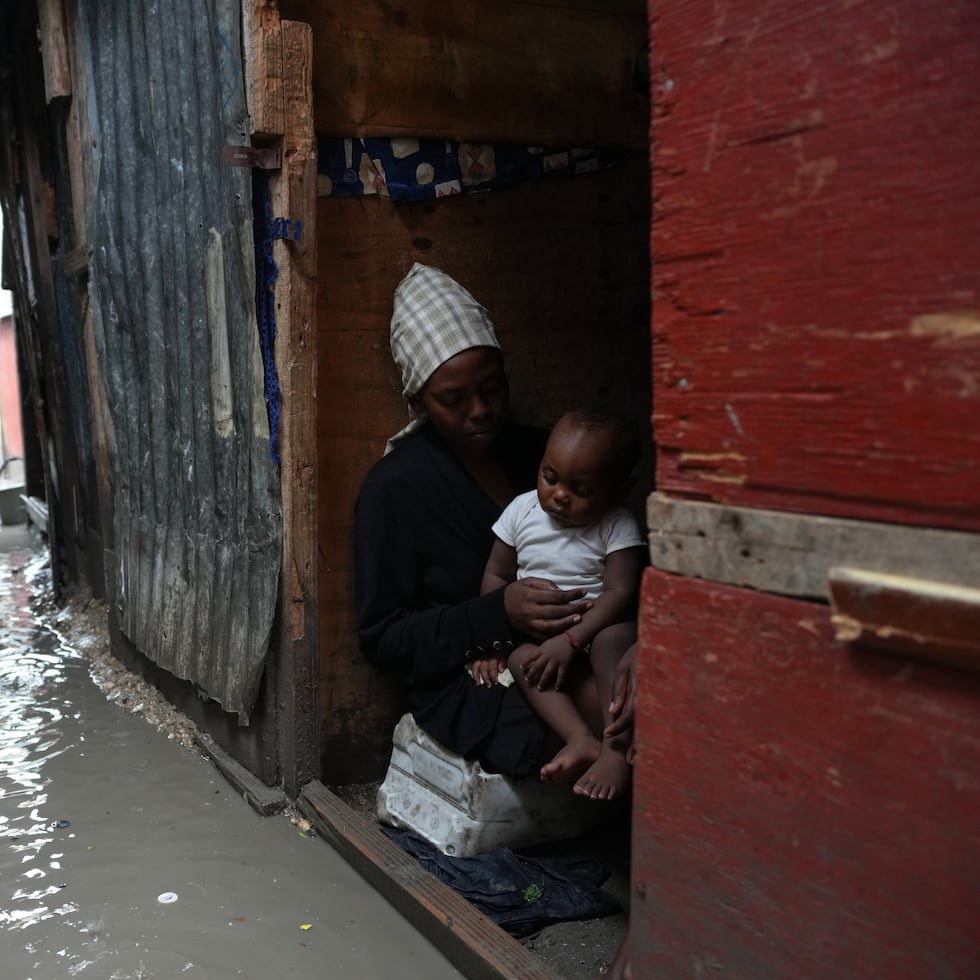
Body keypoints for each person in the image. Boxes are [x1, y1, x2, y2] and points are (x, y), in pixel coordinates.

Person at [354, 262, 594, 780]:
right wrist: (495, 614)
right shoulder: (395, 488)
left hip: (584, 642)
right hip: (473, 680)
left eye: (492, 387)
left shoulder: (545, 456)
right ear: (418, 398)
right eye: (453, 400)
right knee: (588, 712)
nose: (481, 410)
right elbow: (383, 639)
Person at [474, 407, 645, 801]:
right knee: (521, 660)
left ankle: (615, 750)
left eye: (581, 490)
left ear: (620, 488)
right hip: (540, 638)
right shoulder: (522, 509)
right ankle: (580, 739)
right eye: (549, 477)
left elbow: (621, 593)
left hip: (594, 632)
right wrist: (492, 638)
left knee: (611, 643)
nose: (559, 495)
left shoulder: (616, 523)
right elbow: (495, 578)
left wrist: (572, 640)